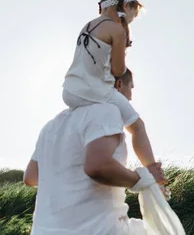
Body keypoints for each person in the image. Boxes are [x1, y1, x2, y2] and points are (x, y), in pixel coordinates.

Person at [23, 70, 167, 234]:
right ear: (119, 85)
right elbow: (98, 166)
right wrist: (143, 179)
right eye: (131, 88)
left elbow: (31, 177)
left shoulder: (50, 126)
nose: (131, 97)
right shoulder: (107, 111)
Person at [62, 0, 158, 170]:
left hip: (69, 89)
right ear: (127, 6)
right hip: (94, 90)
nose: (131, 21)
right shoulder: (116, 29)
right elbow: (117, 70)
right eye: (133, 15)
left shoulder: (88, 25)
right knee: (137, 126)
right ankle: (153, 171)